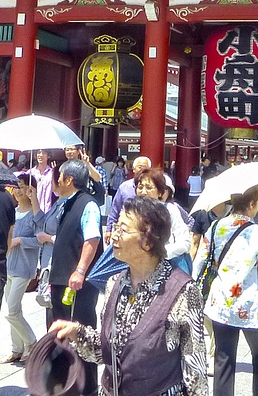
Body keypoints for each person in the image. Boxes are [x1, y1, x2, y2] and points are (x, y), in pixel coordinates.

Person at [51, 196, 207, 396]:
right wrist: (76, 332)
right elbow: (111, 351)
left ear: (148, 241)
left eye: (122, 230)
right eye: (115, 227)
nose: (114, 235)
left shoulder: (182, 291)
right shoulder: (114, 283)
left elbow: (195, 370)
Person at [192, 185, 258, 396]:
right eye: (257, 201)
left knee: (223, 358)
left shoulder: (215, 227)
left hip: (220, 302)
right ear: (251, 204)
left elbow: (201, 261)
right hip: (249, 305)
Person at [48, 158, 105, 396]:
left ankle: (87, 386)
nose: (57, 180)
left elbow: (92, 239)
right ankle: (65, 383)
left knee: (82, 331)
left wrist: (80, 270)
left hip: (78, 282)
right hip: (61, 278)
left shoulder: (87, 204)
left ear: (69, 180)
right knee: (60, 331)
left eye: (60, 176)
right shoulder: (65, 203)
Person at [3, 172, 42, 364]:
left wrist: (20, 241)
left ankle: (32, 343)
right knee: (14, 309)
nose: (17, 191)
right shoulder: (12, 211)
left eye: (21, 186)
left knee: (11, 310)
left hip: (24, 267)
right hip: (7, 266)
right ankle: (17, 349)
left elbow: (40, 239)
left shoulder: (35, 215)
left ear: (30, 189)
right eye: (15, 186)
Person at [135, 167, 194, 272]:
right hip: (138, 267)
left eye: (149, 187)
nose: (143, 192)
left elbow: (185, 242)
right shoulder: (131, 212)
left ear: (160, 192)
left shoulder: (169, 210)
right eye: (140, 187)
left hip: (165, 268)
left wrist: (159, 254)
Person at [106, 155, 153, 232]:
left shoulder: (154, 188)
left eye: (145, 167)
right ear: (134, 169)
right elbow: (115, 209)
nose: (143, 170)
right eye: (140, 167)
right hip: (125, 229)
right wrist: (109, 229)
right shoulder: (124, 187)